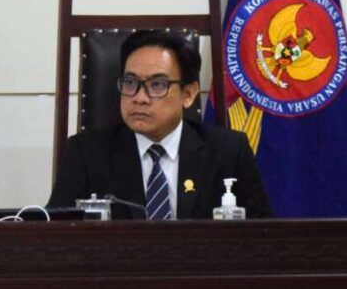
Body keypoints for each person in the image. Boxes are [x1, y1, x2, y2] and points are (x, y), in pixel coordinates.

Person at [48, 29, 273, 219]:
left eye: (157, 85)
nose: (139, 98)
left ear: (188, 94)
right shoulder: (86, 154)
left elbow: (262, 238)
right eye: (130, 82)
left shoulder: (229, 152)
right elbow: (57, 238)